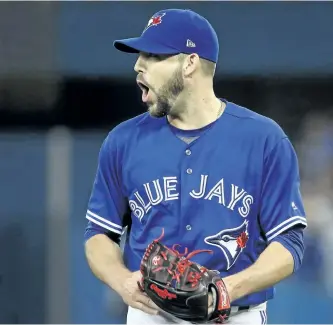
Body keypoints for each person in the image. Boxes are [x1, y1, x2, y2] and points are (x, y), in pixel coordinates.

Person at [84, 8, 307, 325]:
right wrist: (120, 279)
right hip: (152, 314)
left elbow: (289, 242)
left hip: (235, 316)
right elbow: (98, 234)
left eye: (153, 55)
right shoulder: (123, 142)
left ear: (190, 63)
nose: (138, 66)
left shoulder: (263, 139)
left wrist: (226, 290)